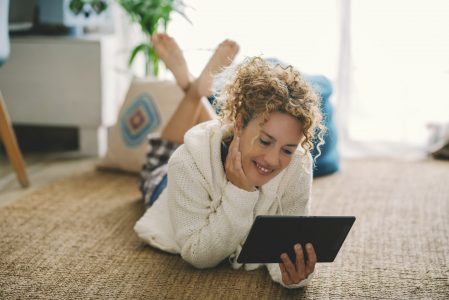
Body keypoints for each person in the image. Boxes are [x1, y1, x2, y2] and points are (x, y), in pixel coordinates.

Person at [135, 33, 325, 289]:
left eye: (287, 149)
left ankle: (192, 88)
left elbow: (285, 241)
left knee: (220, 132)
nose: (272, 159)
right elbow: (198, 255)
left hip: (226, 137)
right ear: (238, 124)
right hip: (167, 185)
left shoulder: (298, 165)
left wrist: (293, 275)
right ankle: (191, 91)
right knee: (157, 160)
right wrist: (240, 192)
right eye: (265, 141)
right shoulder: (186, 163)